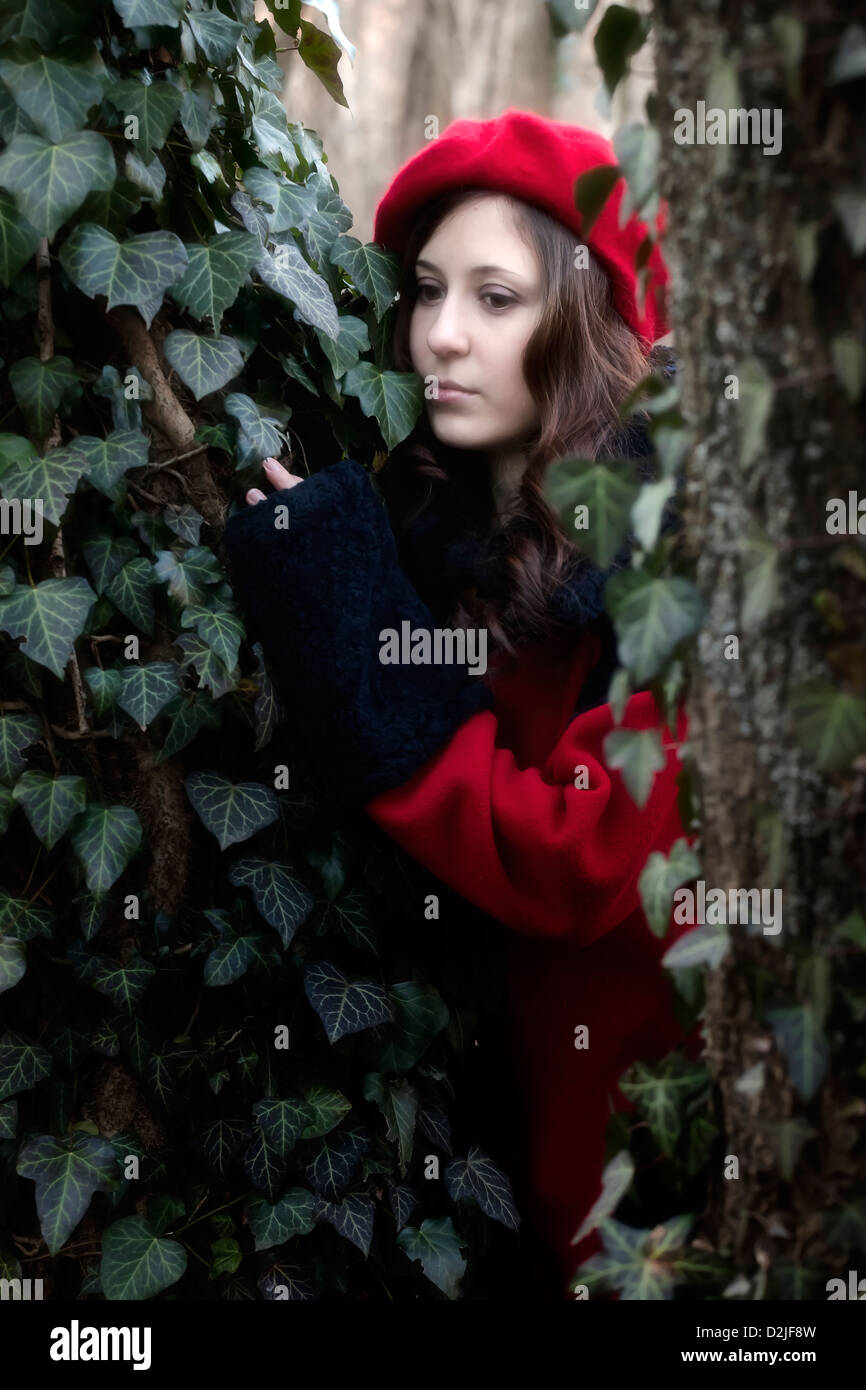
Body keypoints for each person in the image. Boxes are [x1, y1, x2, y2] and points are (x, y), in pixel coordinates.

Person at [224, 109, 703, 1299]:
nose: (441, 334)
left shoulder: (677, 562)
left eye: (497, 300)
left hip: (659, 1211)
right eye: (427, 290)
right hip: (469, 1171)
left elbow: (580, 855)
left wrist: (362, 668)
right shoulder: (428, 529)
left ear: (584, 325)